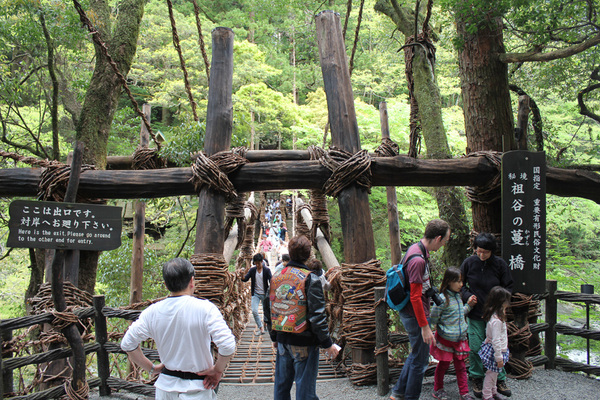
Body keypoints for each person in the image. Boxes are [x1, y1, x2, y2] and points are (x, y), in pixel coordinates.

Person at [121, 258, 236, 400]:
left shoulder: (152, 312)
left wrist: (151, 368)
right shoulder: (205, 309)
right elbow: (227, 345)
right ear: (192, 281)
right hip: (198, 389)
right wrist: (217, 370)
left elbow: (127, 343)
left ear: (165, 285)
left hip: (165, 389)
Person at [266, 235, 339, 400]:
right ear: (308, 255)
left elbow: (269, 306)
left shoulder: (276, 276)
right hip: (305, 341)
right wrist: (327, 344)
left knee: (281, 389)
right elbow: (317, 316)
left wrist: (274, 336)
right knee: (305, 392)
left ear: (290, 254)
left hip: (283, 339)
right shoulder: (311, 278)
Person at [390, 219, 451, 400]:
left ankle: (398, 392)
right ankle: (410, 396)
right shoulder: (418, 260)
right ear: (438, 238)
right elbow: (416, 296)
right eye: (445, 241)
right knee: (421, 360)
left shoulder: (416, 248)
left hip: (411, 312)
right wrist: (424, 325)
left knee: (416, 353)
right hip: (414, 314)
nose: (444, 245)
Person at [460, 233, 514, 398]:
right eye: (478, 250)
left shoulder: (500, 264)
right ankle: (476, 376)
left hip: (494, 315)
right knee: (475, 347)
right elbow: (459, 284)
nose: (481, 254)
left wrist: (501, 304)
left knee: (499, 346)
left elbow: (509, 286)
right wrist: (466, 296)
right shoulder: (469, 263)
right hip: (475, 313)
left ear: (492, 251)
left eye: (485, 252)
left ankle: (500, 379)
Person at [429, 267, 478, 400]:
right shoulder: (442, 299)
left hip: (459, 339)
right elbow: (433, 318)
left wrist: (469, 306)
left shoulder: (458, 297)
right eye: (458, 281)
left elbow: (459, 313)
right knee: (443, 365)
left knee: (461, 366)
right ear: (449, 281)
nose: (461, 284)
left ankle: (464, 393)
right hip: (445, 339)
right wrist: (440, 329)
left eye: (461, 281)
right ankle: (438, 389)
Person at [478, 287, 511, 400]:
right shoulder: (496, 320)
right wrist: (499, 357)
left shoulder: (496, 316)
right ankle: (487, 395)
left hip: (499, 350)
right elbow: (496, 339)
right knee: (491, 374)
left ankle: (493, 391)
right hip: (496, 351)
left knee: (495, 373)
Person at [242, 253, 272, 335]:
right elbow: (246, 279)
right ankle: (261, 327)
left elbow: (271, 281)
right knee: (254, 311)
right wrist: (241, 275)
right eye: (256, 263)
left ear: (262, 261)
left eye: (259, 263)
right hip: (255, 293)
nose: (257, 265)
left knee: (266, 312)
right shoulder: (252, 270)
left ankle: (265, 326)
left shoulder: (267, 270)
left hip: (265, 294)